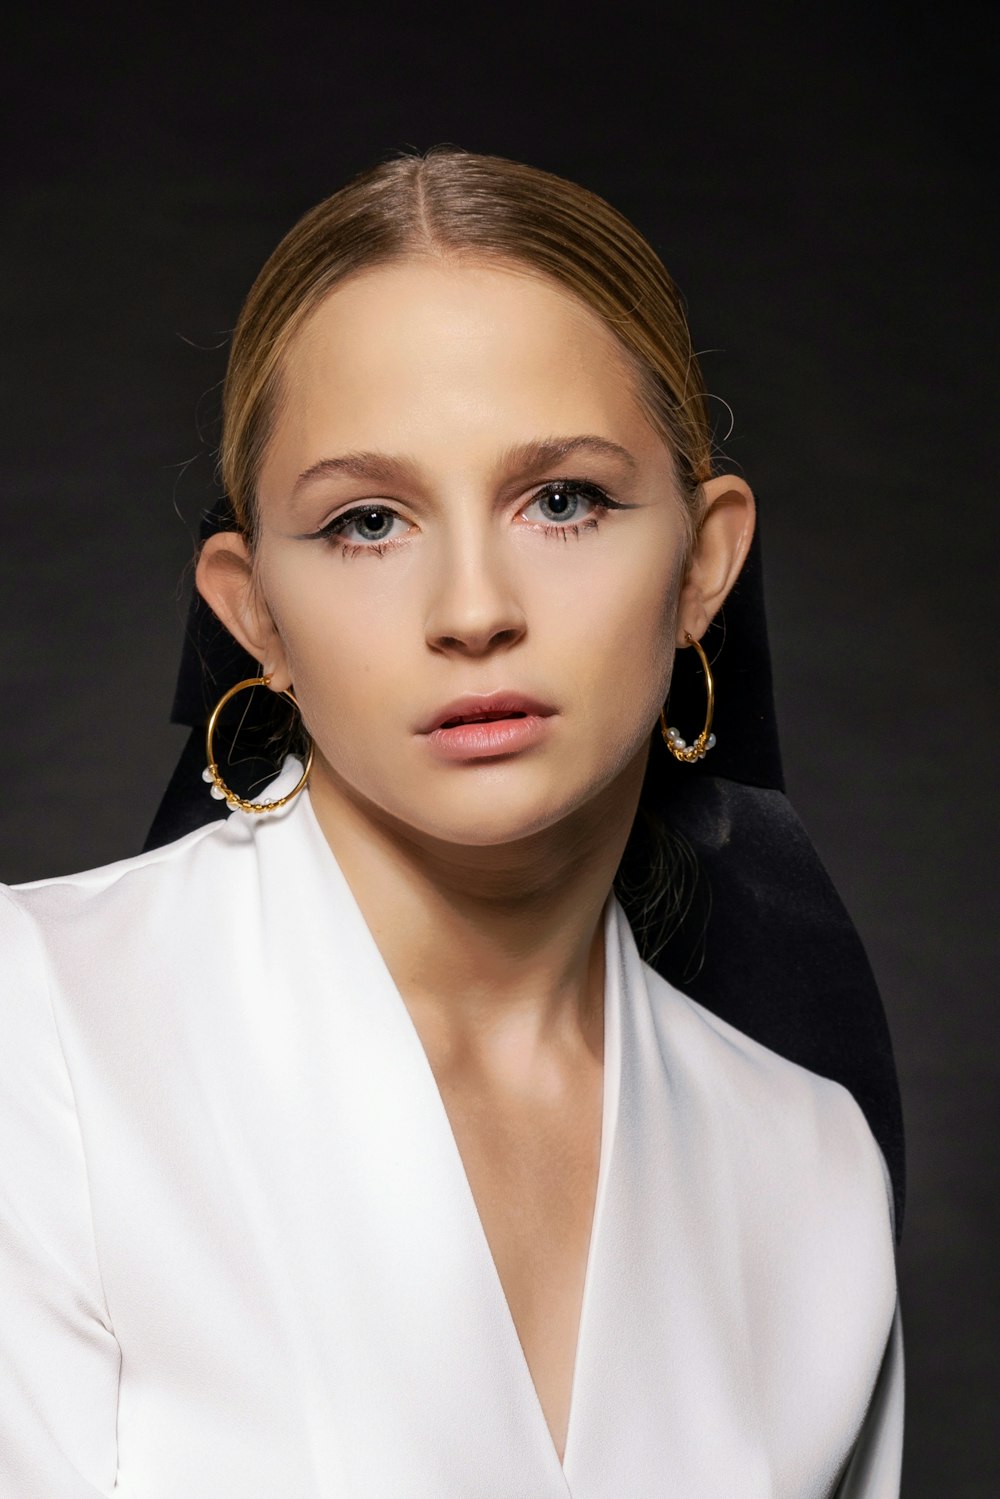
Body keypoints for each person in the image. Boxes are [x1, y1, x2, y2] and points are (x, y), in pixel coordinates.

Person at [0, 148, 903, 1497]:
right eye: (369, 520)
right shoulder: (36, 1038)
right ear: (255, 613)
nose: (472, 608)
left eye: (562, 501)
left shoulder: (810, 1166)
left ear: (705, 564)